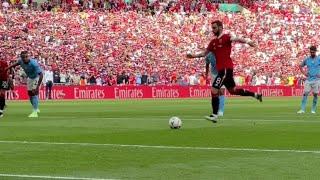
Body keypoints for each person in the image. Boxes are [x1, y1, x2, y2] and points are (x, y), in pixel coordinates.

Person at [187, 20, 262, 122]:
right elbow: (205, 53)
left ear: (220, 27)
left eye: (214, 28)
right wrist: (193, 56)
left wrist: (248, 42)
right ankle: (256, 95)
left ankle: (214, 115)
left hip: (225, 69)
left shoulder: (226, 37)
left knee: (214, 90)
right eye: (212, 28)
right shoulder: (213, 42)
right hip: (223, 70)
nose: (213, 30)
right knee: (233, 90)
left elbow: (236, 38)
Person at [6, 51, 43, 118]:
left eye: (26, 56)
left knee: (34, 93)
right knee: (30, 94)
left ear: (28, 56)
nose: (25, 58)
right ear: (21, 57)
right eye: (23, 57)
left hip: (36, 77)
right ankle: (36, 108)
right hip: (30, 78)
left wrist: (37, 86)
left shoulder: (34, 63)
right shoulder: (21, 61)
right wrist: (7, 68)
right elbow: (16, 64)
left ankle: (35, 112)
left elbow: (41, 74)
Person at [297, 46, 320, 114]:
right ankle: (302, 109)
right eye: (311, 52)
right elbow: (300, 66)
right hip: (308, 79)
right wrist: (304, 73)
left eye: (313, 52)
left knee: (315, 94)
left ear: (315, 51)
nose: (312, 53)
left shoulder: (319, 59)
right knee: (305, 93)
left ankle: (313, 109)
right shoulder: (307, 59)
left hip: (316, 80)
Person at [205, 52, 225, 116]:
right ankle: (215, 110)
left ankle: (221, 110)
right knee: (215, 92)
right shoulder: (208, 55)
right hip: (213, 74)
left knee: (221, 91)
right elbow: (207, 64)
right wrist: (206, 74)